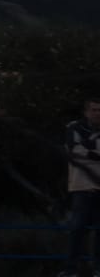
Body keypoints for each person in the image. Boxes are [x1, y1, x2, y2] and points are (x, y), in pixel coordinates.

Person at [62, 95, 100, 277]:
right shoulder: (74, 128)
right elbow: (74, 151)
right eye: (94, 109)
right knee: (77, 230)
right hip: (80, 188)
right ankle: (71, 270)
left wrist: (87, 148)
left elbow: (82, 151)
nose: (97, 113)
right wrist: (94, 152)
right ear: (86, 112)